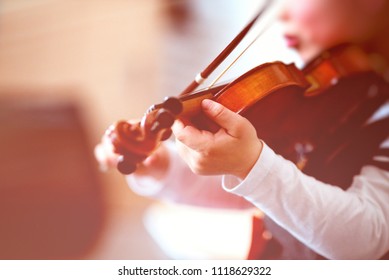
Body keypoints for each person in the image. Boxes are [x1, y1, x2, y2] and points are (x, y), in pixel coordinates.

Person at [95, 0, 389, 259]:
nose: (282, 13)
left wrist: (251, 165)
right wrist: (163, 166)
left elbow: (368, 238)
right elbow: (262, 192)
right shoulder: (331, 93)